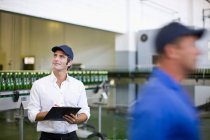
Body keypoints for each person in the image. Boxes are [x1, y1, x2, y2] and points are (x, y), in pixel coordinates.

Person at [129, 22, 205, 140]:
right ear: (172, 51)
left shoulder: (174, 90)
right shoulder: (156, 101)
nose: (199, 52)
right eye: (192, 45)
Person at [28, 45, 90, 140]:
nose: (56, 59)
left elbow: (85, 112)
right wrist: (51, 113)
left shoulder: (78, 85)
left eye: (61, 57)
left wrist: (76, 120)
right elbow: (32, 115)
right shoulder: (39, 84)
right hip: (47, 137)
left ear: (69, 63)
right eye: (55, 55)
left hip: (71, 136)